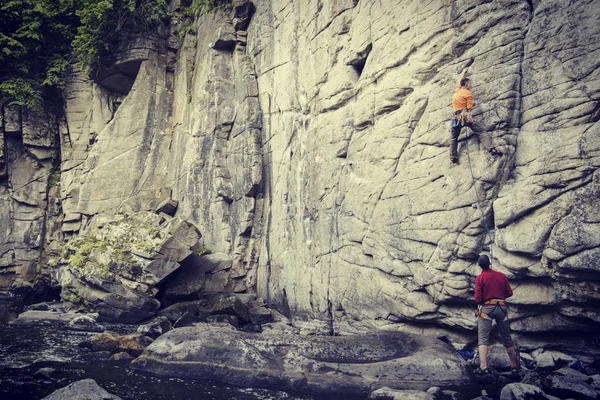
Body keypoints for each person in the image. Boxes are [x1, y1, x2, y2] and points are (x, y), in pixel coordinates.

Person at [474, 254, 518, 375]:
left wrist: (481, 305)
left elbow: (478, 298)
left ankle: (483, 367)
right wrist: (499, 296)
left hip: (488, 308)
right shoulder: (501, 276)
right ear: (489, 263)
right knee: (507, 338)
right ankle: (514, 366)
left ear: (480, 266)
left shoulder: (480, 278)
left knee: (483, 338)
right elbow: (509, 293)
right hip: (502, 308)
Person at [450, 68, 501, 164]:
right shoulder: (468, 93)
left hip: (456, 118)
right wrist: (472, 104)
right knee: (481, 131)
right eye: (469, 84)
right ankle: (491, 149)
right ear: (466, 85)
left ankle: (453, 157)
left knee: (453, 138)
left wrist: (463, 73)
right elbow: (469, 107)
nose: (470, 85)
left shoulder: (457, 91)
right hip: (465, 116)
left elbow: (459, 82)